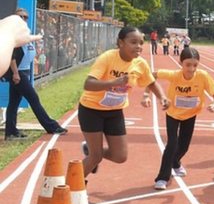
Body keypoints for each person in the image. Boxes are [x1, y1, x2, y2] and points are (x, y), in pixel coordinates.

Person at [79, 27, 169, 178]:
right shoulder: (108, 57)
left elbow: (151, 82)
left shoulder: (140, 64)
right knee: (96, 157)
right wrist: (113, 83)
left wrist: (162, 97)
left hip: (114, 111)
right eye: (133, 42)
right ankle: (71, 187)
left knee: (120, 156)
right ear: (121, 43)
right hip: (91, 110)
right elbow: (88, 84)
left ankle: (91, 150)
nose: (138, 46)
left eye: (141, 42)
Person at [152, 47, 214, 190]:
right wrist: (147, 94)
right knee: (172, 144)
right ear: (180, 63)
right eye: (187, 65)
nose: (191, 68)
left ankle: (176, 163)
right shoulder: (175, 75)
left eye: (195, 65)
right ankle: (162, 178)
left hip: (190, 114)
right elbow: (152, 75)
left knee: (184, 146)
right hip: (173, 114)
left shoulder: (202, 76)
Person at [3, 9, 67, 140]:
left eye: (26, 17)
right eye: (21, 17)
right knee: (33, 99)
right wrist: (15, 73)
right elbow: (11, 57)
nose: (24, 19)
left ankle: (11, 131)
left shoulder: (25, 34)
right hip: (18, 73)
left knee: (14, 103)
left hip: (24, 72)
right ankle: (51, 126)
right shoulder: (14, 36)